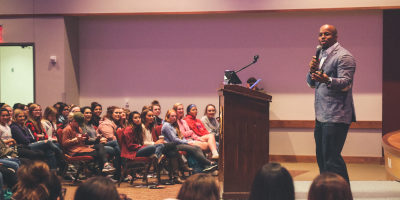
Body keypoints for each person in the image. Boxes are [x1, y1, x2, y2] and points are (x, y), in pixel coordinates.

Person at [307, 24, 356, 184]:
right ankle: (327, 191)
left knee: (332, 160)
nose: (322, 37)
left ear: (335, 37)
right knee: (322, 159)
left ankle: (343, 194)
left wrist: (327, 79)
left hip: (336, 116)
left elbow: (346, 83)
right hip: (321, 116)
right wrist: (311, 71)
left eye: (327, 34)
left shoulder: (344, 56)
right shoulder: (321, 56)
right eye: (320, 34)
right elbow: (312, 84)